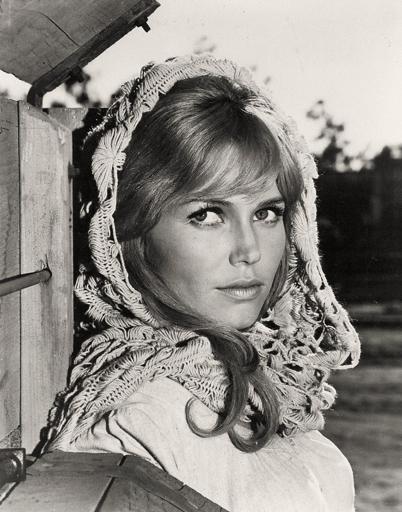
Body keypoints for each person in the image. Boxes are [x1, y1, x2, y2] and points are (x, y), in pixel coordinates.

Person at [45, 55, 360, 511]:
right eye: (208, 215)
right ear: (131, 234)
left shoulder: (267, 383)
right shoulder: (134, 429)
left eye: (266, 213)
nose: (249, 250)